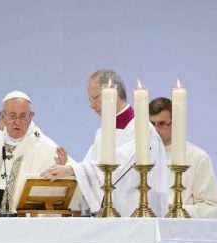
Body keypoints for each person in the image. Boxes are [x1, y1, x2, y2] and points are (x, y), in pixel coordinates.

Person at [41, 70, 170, 216]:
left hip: (136, 215)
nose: (92, 105)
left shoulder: (143, 129)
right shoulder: (102, 132)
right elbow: (90, 168)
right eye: (90, 99)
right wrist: (68, 168)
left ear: (114, 94)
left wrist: (74, 170)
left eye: (96, 98)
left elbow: (121, 163)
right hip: (107, 217)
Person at [149, 97, 217, 218]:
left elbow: (214, 207)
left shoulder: (197, 157)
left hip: (181, 230)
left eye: (162, 124)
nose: (156, 130)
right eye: (152, 124)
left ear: (175, 123)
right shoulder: (137, 157)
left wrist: (177, 210)